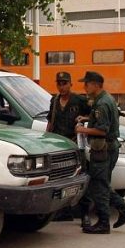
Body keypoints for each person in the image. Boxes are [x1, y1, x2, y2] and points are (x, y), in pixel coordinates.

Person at [74, 71, 125, 234]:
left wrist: (82, 129)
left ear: (95, 84)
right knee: (102, 184)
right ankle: (123, 211)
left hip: (103, 149)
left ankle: (105, 222)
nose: (84, 87)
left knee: (99, 185)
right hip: (109, 148)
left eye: (86, 84)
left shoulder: (101, 103)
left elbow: (102, 130)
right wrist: (87, 119)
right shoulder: (105, 99)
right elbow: (105, 120)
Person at [47, 72, 90, 221]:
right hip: (58, 146)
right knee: (61, 179)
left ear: (71, 84)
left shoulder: (79, 100)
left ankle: (84, 214)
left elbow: (93, 116)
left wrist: (84, 118)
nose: (61, 86)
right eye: (59, 83)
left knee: (80, 178)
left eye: (64, 83)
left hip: (74, 145)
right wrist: (46, 139)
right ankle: (64, 212)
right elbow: (50, 122)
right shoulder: (54, 100)